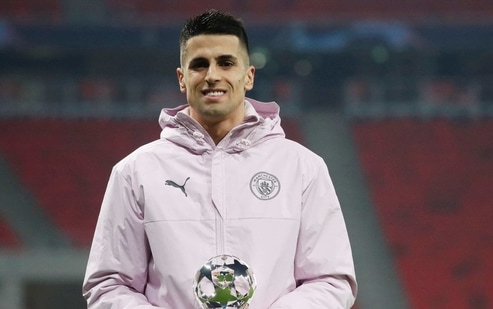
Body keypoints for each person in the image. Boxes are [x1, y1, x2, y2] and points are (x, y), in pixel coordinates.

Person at [82, 9, 357, 308]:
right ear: (182, 78)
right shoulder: (134, 172)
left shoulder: (303, 168)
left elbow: (330, 280)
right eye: (199, 65)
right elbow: (109, 286)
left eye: (226, 63)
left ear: (248, 75)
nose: (212, 75)